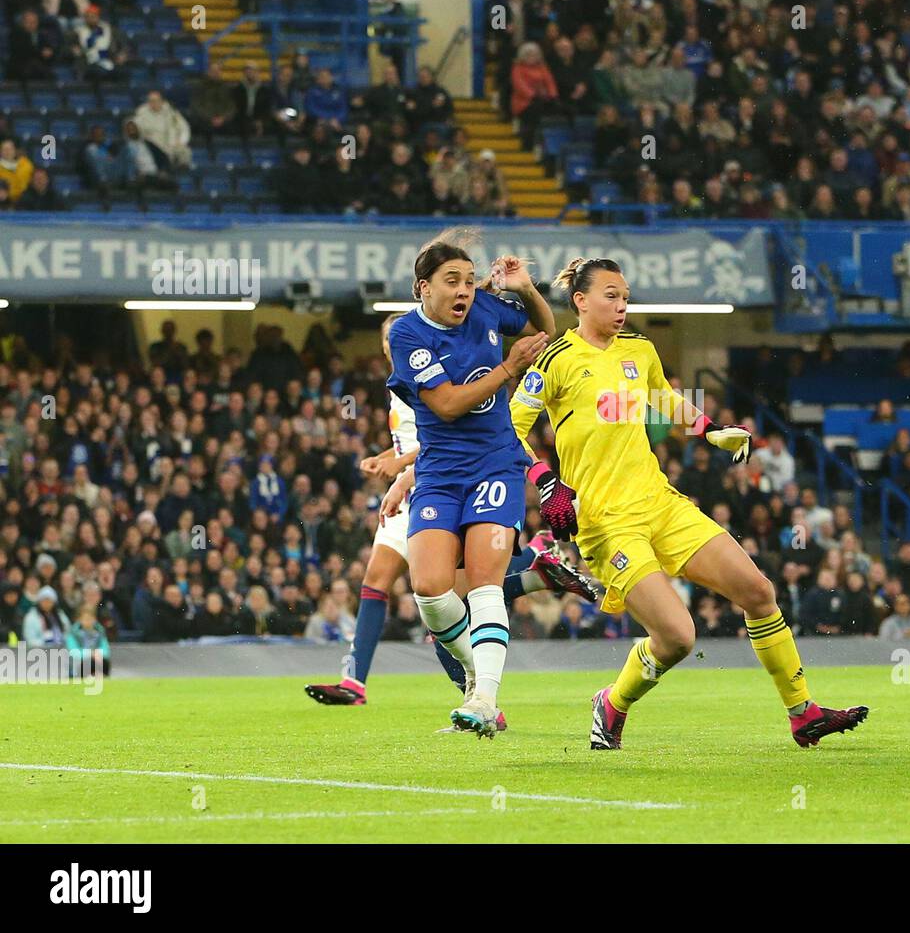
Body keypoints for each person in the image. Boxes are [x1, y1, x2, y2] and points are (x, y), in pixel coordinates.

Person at [509, 256, 868, 749]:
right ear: (580, 301)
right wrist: (546, 481)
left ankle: (802, 712)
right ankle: (612, 703)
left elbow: (663, 396)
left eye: (626, 296)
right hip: (607, 523)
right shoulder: (555, 360)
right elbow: (509, 430)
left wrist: (709, 428)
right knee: (679, 637)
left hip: (660, 503)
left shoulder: (640, 349)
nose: (621, 305)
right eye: (611, 296)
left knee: (759, 591)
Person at [305, 307, 597, 715]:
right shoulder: (399, 383)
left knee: (453, 597)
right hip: (419, 487)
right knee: (398, 584)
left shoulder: (438, 370)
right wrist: (390, 459)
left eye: (397, 339)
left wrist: (402, 471)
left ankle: (482, 692)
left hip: (440, 484)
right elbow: (417, 439)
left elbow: (452, 430)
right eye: (387, 343)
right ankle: (357, 678)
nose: (394, 347)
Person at [379, 232, 554, 737]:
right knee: (430, 589)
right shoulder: (409, 337)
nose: (464, 291)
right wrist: (507, 368)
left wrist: (525, 289)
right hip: (438, 473)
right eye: (452, 281)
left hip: (495, 464)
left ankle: (483, 699)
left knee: (483, 580)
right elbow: (449, 404)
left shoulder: (485, 310)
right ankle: (480, 678)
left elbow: (546, 329)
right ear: (422, 288)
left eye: (471, 281)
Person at [67, 604, 110, 678]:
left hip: (97, 661)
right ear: (80, 619)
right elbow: (73, 652)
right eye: (85, 619)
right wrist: (90, 653)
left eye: (90, 618)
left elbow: (106, 650)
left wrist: (98, 653)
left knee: (104, 662)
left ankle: (98, 676)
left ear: (95, 619)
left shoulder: (100, 631)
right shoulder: (73, 633)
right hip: (78, 665)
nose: (88, 621)